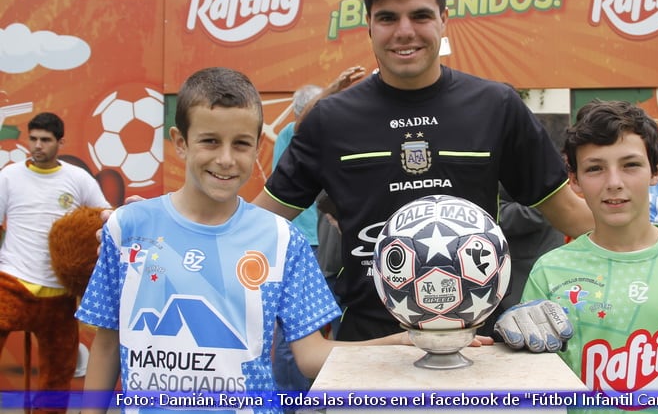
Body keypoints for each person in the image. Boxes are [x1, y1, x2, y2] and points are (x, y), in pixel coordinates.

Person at [253, 0, 658, 343]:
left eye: (420, 15)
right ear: (369, 23)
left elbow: (573, 215)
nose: (404, 31)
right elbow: (260, 225)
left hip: (478, 344)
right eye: (387, 18)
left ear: (443, 18)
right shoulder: (330, 120)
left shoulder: (495, 105)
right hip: (370, 344)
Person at [75, 68, 418, 414]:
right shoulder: (127, 227)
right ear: (180, 142)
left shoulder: (283, 239)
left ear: (256, 148)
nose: (225, 159)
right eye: (210, 141)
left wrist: (402, 344)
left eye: (240, 144)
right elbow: (107, 344)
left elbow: (312, 356)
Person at [495, 100, 658, 413]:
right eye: (595, 168)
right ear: (574, 180)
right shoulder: (550, 272)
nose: (614, 182)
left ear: (655, 171)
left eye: (630, 165)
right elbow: (536, 384)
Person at [0, 112, 111, 411]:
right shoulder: (9, 175)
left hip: (58, 294)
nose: (37, 146)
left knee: (58, 371)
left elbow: (105, 219)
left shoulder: (77, 179)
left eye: (45, 140)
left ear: (60, 142)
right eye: (33, 138)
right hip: (10, 283)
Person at [270, 67, 364, 396]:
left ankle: (335, 391)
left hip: (332, 243)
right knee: (294, 332)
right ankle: (290, 397)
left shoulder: (338, 135)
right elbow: (305, 124)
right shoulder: (290, 135)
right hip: (302, 244)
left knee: (339, 315)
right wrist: (334, 88)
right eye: (325, 105)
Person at [476, 185, 565, 338]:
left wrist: (482, 214)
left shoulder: (534, 165)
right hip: (491, 274)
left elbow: (543, 210)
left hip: (526, 271)